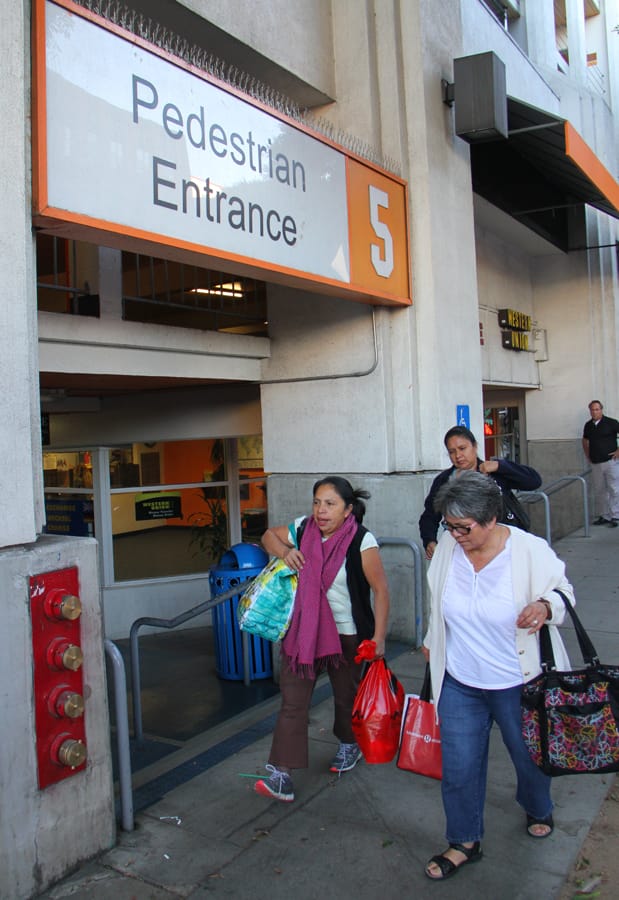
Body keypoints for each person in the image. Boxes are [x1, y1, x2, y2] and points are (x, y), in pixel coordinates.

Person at [422, 471, 575, 881]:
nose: (455, 535)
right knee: (458, 767)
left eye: (463, 527)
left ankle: (538, 807)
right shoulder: (448, 551)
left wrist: (544, 606)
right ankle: (463, 841)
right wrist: (431, 639)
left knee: (529, 758)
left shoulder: (528, 550)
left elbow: (565, 594)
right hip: (460, 679)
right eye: (449, 526)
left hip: (518, 682)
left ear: (491, 519)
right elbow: (439, 604)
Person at [254, 476, 390, 802]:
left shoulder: (361, 540)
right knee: (293, 703)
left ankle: (348, 744)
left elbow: (381, 590)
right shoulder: (303, 529)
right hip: (304, 634)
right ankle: (281, 775)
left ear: (347, 510)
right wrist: (286, 552)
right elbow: (267, 536)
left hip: (347, 635)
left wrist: (380, 637)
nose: (321, 511)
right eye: (317, 502)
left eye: (330, 504)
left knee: (346, 698)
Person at [419, 426, 541, 560]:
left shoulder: (494, 472)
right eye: (452, 452)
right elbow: (430, 515)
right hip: (463, 549)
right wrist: (429, 540)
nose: (458, 456)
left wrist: (501, 466)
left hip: (504, 545)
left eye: (462, 448)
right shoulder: (444, 481)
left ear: (474, 446)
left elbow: (534, 481)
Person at [582, 400, 619, 527]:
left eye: (597, 409)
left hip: (610, 461)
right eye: (592, 410)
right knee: (600, 490)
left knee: (614, 489)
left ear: (601, 410)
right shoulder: (588, 425)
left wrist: (618, 451)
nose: (594, 412)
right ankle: (605, 516)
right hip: (596, 463)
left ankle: (616, 515)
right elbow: (585, 440)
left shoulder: (611, 422)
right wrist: (588, 455)